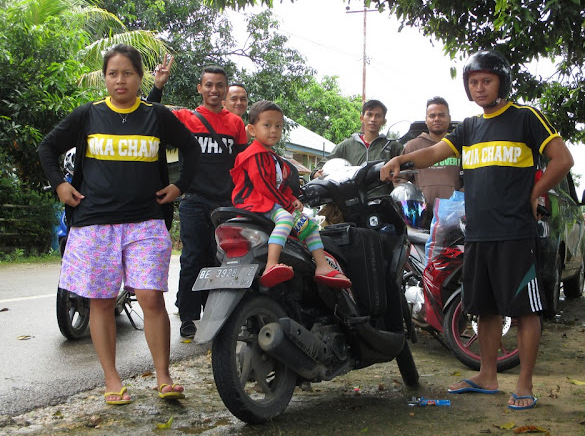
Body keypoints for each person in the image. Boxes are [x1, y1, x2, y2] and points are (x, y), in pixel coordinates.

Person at [380, 49, 574, 410]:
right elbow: (436, 153)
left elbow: (562, 159)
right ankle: (487, 375)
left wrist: (535, 192)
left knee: (525, 309)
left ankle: (526, 385)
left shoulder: (525, 117)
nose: (480, 88)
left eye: (486, 81)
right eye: (473, 83)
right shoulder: (469, 126)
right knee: (484, 307)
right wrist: (401, 159)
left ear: (501, 82)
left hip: (515, 232)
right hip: (478, 232)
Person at [38, 44, 200, 404]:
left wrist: (180, 186)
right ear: (105, 77)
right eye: (113, 73)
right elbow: (47, 147)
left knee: (150, 298)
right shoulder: (88, 115)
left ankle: (163, 376)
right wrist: (60, 185)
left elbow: (191, 147)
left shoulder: (157, 115)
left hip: (145, 222)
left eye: (128, 73)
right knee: (101, 301)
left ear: (140, 78)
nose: (120, 80)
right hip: (95, 223)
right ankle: (112, 380)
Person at [149, 57, 248, 339]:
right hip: (193, 199)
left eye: (219, 85)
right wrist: (158, 85)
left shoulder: (236, 123)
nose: (214, 90)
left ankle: (215, 315)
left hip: (226, 203)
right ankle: (189, 316)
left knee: (221, 261)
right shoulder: (184, 118)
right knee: (193, 258)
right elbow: (151, 114)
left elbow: (241, 163)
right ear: (199, 88)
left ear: (226, 89)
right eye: (208, 85)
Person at [231, 100, 351, 289]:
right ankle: (271, 264)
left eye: (278, 126)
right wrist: (287, 205)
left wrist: (292, 198)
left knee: (309, 226)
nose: (273, 130)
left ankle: (322, 266)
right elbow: (264, 187)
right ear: (252, 130)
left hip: (273, 204)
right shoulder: (254, 155)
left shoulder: (275, 158)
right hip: (256, 203)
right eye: (267, 125)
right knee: (287, 219)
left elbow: (280, 186)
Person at [400, 96, 463, 223]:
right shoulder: (412, 146)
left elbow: (471, 179)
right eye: (432, 116)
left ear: (449, 118)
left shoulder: (461, 146)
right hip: (421, 215)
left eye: (441, 115)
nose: (437, 119)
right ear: (426, 120)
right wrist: (411, 199)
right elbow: (400, 178)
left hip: (454, 215)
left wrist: (459, 200)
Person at [311, 99, 404, 179]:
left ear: (384, 121)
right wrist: (315, 173)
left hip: (383, 197)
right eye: (369, 115)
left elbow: (409, 166)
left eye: (378, 116)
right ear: (362, 118)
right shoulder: (346, 145)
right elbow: (324, 163)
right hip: (352, 197)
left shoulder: (393, 146)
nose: (373, 119)